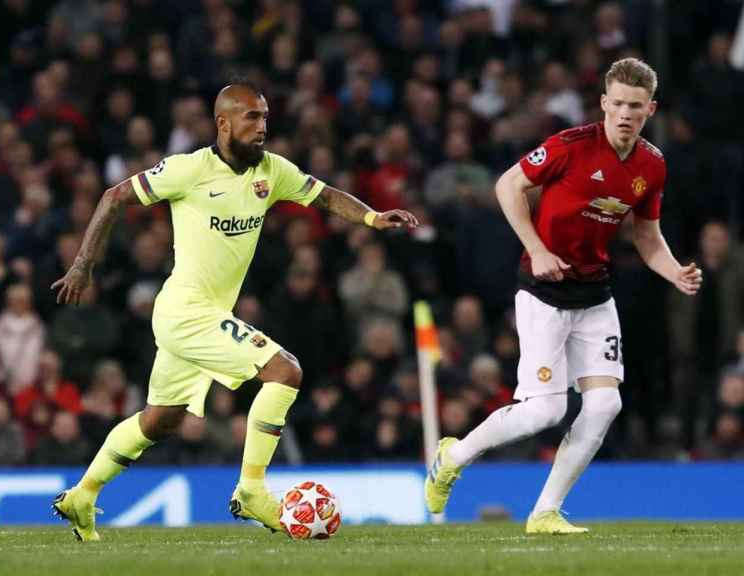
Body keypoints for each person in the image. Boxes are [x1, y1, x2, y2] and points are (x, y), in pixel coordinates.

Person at [50, 82, 418, 541]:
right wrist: (83, 266)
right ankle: (251, 490)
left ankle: (82, 495)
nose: (262, 126)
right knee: (285, 372)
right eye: (251, 117)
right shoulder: (189, 170)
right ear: (223, 123)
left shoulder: (272, 171)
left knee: (160, 420)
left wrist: (371, 217)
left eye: (264, 116)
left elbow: (322, 195)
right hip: (186, 310)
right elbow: (113, 196)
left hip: (197, 315)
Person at [424, 58, 702, 534]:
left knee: (605, 404)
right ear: (603, 104)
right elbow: (508, 184)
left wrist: (673, 271)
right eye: (616, 104)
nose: (625, 114)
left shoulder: (651, 165)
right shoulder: (571, 146)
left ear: (649, 109)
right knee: (546, 409)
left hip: (595, 294)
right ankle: (453, 455)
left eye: (635, 106)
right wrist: (536, 248)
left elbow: (647, 235)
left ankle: (545, 512)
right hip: (543, 292)